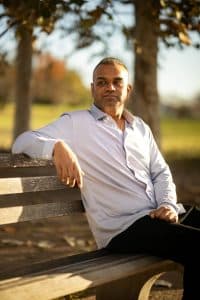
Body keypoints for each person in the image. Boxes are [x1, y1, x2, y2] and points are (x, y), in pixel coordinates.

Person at [12, 57, 200, 300]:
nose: (109, 87)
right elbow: (22, 142)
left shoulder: (140, 127)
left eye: (116, 82)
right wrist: (57, 146)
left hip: (162, 216)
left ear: (127, 89)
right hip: (124, 228)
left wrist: (166, 204)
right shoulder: (76, 123)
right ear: (93, 89)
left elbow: (160, 172)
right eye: (102, 82)